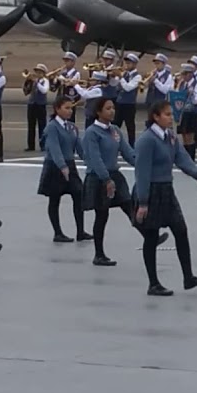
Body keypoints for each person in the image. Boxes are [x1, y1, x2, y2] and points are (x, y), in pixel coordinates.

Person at [133, 100, 197, 296]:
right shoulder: (147, 140)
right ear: (156, 117)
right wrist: (142, 202)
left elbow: (182, 158)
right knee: (151, 237)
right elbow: (141, 172)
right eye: (167, 114)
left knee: (181, 230)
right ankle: (153, 283)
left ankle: (188, 277)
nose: (171, 118)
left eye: (171, 114)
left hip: (167, 190)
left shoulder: (170, 137)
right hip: (151, 190)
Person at [81, 98, 135, 267]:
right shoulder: (92, 132)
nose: (112, 111)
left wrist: (143, 164)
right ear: (99, 112)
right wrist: (106, 179)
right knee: (102, 215)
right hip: (99, 177)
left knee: (130, 206)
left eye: (113, 108)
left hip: (115, 174)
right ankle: (99, 254)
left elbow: (128, 152)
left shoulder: (115, 130)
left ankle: (150, 237)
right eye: (108, 108)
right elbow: (95, 159)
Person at [38, 97, 91, 243]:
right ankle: (58, 233)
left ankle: (80, 231)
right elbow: (54, 148)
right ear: (57, 109)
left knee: (78, 195)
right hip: (54, 166)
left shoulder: (72, 127)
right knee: (54, 199)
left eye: (71, 108)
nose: (70, 111)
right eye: (66, 108)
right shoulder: (52, 127)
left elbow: (79, 148)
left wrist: (90, 162)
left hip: (70, 164)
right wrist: (62, 166)